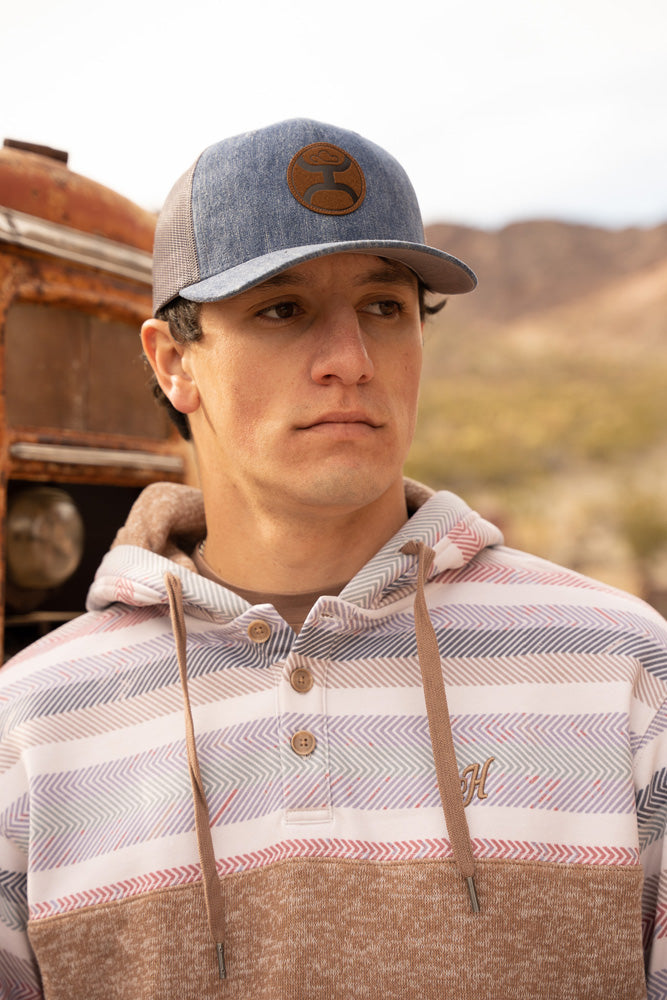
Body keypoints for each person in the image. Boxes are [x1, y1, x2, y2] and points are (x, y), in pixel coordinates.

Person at [0, 118, 664, 1000]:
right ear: (172, 363)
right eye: (282, 310)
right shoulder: (32, 728)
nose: (350, 361)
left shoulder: (620, 670)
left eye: (385, 308)